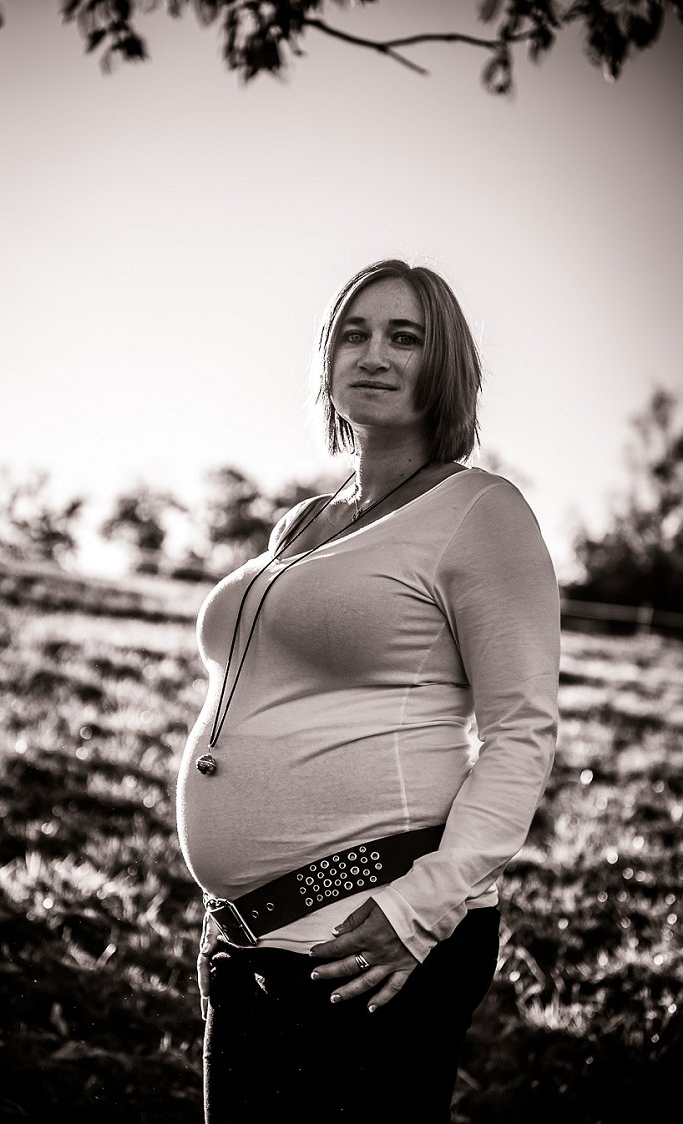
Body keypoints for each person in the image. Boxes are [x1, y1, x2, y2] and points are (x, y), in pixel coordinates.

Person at [178, 260, 559, 1121]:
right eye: (354, 332)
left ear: (444, 365)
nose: (374, 353)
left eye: (405, 336)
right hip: (241, 938)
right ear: (327, 358)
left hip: (365, 942)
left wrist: (420, 910)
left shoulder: (481, 512)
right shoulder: (306, 521)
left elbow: (521, 733)